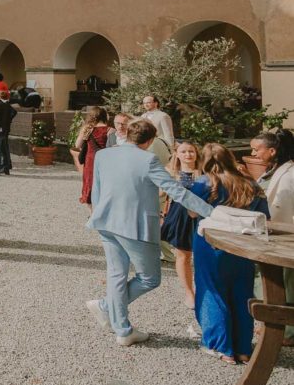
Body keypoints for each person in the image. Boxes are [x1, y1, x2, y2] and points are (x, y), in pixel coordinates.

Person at [85, 119, 214, 346]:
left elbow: (96, 189)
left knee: (116, 275)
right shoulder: (149, 160)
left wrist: (96, 214)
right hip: (134, 226)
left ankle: (121, 326)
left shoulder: (104, 155)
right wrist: (212, 213)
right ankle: (109, 309)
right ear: (151, 140)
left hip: (105, 221)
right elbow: (178, 192)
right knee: (150, 278)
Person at [192, 143, 270, 364]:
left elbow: (190, 212)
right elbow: (265, 215)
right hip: (243, 245)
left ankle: (220, 345)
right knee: (241, 294)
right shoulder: (249, 183)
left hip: (211, 245)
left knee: (213, 292)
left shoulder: (203, 183)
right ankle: (243, 348)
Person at [251, 130, 294, 344]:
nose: (253, 153)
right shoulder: (273, 170)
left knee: (284, 282)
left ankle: (285, 332)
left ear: (272, 150)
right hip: (274, 232)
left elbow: (281, 208)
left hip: (283, 235)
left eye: (256, 149)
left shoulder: (288, 174)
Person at [161, 141, 203, 307]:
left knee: (201, 256)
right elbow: (159, 193)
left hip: (201, 216)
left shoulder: (204, 172)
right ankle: (189, 292)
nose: (188, 155)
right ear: (176, 154)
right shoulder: (170, 172)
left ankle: (202, 290)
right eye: (184, 151)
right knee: (183, 255)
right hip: (180, 215)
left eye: (191, 151)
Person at [77, 107, 110, 207]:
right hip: (105, 160)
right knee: (104, 183)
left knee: (90, 183)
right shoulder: (110, 129)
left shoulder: (87, 129)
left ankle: (92, 214)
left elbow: (77, 145)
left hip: (91, 160)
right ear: (105, 116)